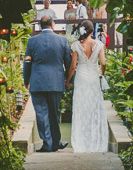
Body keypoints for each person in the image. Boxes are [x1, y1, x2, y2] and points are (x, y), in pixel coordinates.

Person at [24, 15, 71, 153]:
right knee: (53, 113)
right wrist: (68, 80)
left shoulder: (32, 41)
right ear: (52, 25)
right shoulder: (62, 40)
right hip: (56, 82)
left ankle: (48, 144)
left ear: (39, 26)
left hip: (37, 81)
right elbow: (67, 62)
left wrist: (26, 80)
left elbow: (27, 62)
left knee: (41, 113)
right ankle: (55, 143)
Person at [65, 19, 109, 153]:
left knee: (81, 106)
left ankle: (81, 141)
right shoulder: (99, 44)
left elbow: (73, 66)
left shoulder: (76, 45)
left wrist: (68, 81)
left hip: (81, 77)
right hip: (94, 76)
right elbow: (103, 63)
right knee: (94, 106)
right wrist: (101, 73)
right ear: (92, 31)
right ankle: (95, 140)